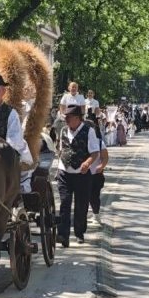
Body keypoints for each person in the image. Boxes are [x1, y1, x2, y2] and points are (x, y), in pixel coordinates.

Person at [55, 105, 100, 247]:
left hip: (82, 174)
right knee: (65, 203)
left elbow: (95, 152)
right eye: (66, 118)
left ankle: (79, 232)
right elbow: (60, 149)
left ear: (77, 118)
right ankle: (63, 235)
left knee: (81, 205)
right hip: (64, 172)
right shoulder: (63, 130)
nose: (66, 120)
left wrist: (87, 163)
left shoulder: (89, 131)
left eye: (69, 118)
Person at [86, 111, 109, 226]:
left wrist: (102, 166)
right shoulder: (81, 142)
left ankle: (96, 215)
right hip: (83, 173)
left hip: (96, 174)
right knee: (84, 196)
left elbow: (105, 157)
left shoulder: (100, 143)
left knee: (94, 196)